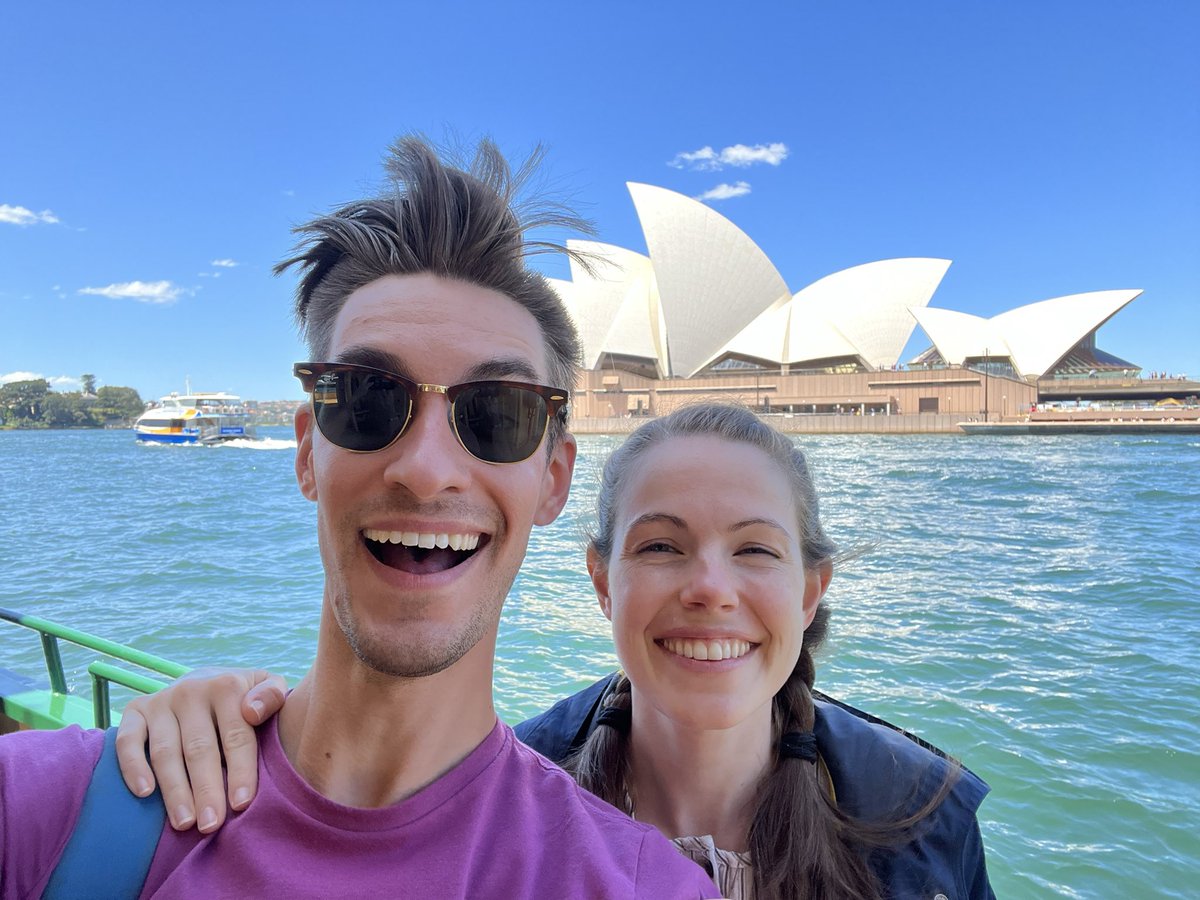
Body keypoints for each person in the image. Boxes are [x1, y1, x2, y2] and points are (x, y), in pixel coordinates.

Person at [0, 136, 719, 900]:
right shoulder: (48, 812)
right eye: (371, 399)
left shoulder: (644, 888)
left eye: (498, 414)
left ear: (553, 478)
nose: (426, 468)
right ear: (309, 453)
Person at [116, 404, 996, 899]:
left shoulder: (923, 815)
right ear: (603, 582)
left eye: (756, 550)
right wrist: (217, 713)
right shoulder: (503, 788)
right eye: (659, 546)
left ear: (810, 592)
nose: (710, 588)